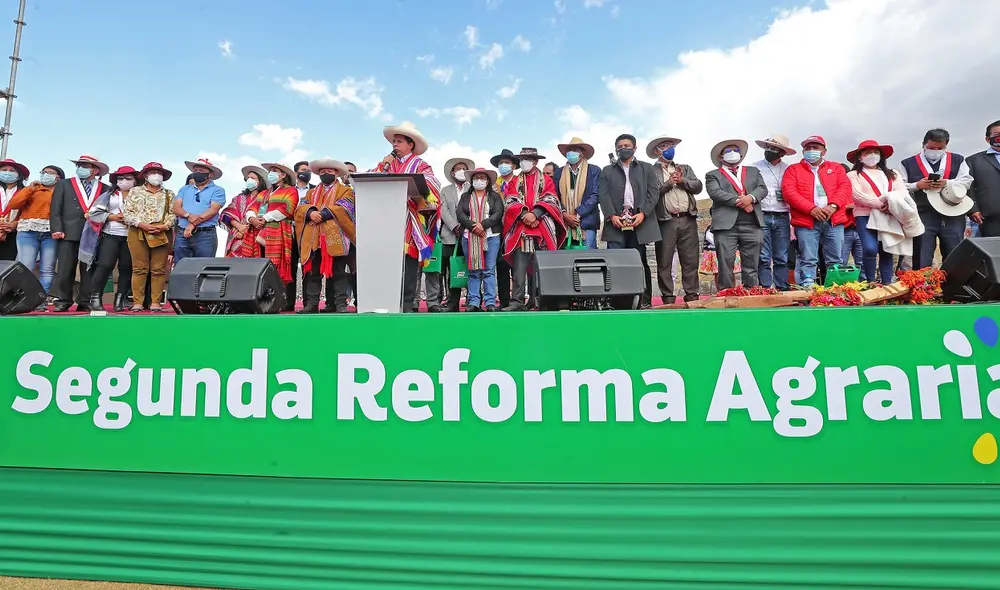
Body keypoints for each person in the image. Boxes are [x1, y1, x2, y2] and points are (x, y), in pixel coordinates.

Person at [370, 121, 442, 312]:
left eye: (399, 141)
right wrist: (383, 166)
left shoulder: (420, 164)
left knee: (409, 262)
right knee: (387, 261)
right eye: (393, 141)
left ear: (410, 144)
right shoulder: (386, 163)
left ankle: (408, 301)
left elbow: (432, 184)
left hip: (409, 219)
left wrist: (413, 184)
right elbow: (370, 179)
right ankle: (386, 299)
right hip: (387, 218)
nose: (394, 145)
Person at [781, 136, 851, 289]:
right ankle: (808, 287)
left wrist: (833, 206)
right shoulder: (793, 170)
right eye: (808, 148)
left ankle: (836, 289)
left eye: (815, 147)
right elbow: (789, 192)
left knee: (835, 258)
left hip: (834, 220)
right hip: (807, 221)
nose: (811, 151)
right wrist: (811, 209)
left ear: (824, 151)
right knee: (808, 258)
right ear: (803, 151)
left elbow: (845, 188)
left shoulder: (837, 168)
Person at [598, 134, 659, 307]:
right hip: (616, 222)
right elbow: (603, 195)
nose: (623, 148)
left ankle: (643, 300)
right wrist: (611, 216)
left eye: (627, 145)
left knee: (639, 261)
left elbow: (653, 193)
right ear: (616, 149)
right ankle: (616, 301)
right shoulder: (607, 170)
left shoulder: (646, 168)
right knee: (615, 263)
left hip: (639, 221)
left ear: (634, 148)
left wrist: (643, 214)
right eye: (620, 146)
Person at [502, 147, 567, 311]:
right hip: (521, 228)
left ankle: (539, 299)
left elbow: (551, 199)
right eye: (522, 159)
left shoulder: (547, 180)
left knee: (541, 266)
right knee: (519, 267)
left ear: (536, 161)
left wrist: (536, 214)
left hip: (542, 227)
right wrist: (525, 214)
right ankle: (517, 301)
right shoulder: (514, 181)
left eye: (528, 158)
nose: (525, 162)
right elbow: (510, 201)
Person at [899, 128, 974, 268]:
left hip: (953, 213)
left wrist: (947, 182)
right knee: (922, 254)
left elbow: (967, 181)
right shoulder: (907, 163)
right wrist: (917, 185)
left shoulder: (958, 159)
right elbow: (900, 186)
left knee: (954, 253)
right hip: (923, 213)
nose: (935, 151)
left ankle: (953, 286)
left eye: (940, 148)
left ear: (946, 146)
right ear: (923, 144)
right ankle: (923, 286)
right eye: (931, 147)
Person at [646, 134, 702, 302]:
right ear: (657, 151)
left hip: (688, 218)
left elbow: (697, 186)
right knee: (664, 260)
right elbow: (652, 194)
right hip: (665, 220)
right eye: (665, 146)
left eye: (671, 145)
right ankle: (668, 297)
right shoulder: (650, 171)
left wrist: (682, 180)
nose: (669, 148)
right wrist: (669, 183)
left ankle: (692, 295)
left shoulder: (685, 167)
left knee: (690, 259)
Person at [705, 139, 768, 289]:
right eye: (728, 151)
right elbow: (715, 193)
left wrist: (750, 198)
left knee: (752, 265)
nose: (732, 154)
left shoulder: (753, 171)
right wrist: (742, 201)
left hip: (752, 223)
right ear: (720, 156)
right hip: (726, 227)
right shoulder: (712, 175)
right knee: (725, 265)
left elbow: (762, 189)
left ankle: (750, 295)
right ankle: (726, 297)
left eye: (736, 151)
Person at [294, 158, 355, 314]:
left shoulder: (345, 190)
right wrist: (311, 212)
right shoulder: (311, 192)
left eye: (329, 171)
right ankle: (312, 305)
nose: (325, 173)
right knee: (313, 273)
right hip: (314, 238)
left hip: (336, 237)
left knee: (338, 272)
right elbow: (301, 208)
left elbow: (346, 205)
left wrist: (324, 213)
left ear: (336, 173)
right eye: (322, 172)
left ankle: (340, 304)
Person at [51, 155, 111, 312]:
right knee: (65, 268)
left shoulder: (104, 188)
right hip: (68, 232)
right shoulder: (64, 184)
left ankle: (85, 300)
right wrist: (57, 228)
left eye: (85, 165)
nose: (80, 168)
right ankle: (63, 300)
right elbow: (55, 209)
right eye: (79, 165)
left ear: (95, 170)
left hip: (93, 234)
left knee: (89, 269)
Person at [845, 140, 911, 284]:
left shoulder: (893, 174)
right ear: (860, 157)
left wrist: (891, 205)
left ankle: (886, 282)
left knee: (887, 248)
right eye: (867, 152)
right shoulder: (853, 175)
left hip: (889, 214)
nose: (872, 155)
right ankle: (870, 281)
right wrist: (878, 204)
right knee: (869, 248)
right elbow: (857, 194)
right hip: (865, 215)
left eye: (875, 152)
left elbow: (902, 192)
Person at [83, 165, 140, 312]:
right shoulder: (109, 194)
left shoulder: (141, 195)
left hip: (132, 236)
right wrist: (111, 216)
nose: (124, 181)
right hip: (111, 234)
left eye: (128, 178)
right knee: (105, 265)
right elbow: (93, 213)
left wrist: (131, 219)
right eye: (120, 178)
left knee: (126, 268)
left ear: (135, 180)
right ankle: (95, 298)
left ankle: (120, 299)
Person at [122, 162, 176, 312]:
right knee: (139, 268)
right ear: (145, 175)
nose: (156, 175)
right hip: (138, 231)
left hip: (162, 233)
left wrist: (165, 226)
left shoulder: (169, 194)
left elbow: (173, 213)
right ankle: (138, 302)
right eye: (152, 172)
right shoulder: (135, 191)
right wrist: (141, 224)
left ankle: (156, 303)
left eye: (159, 172)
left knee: (158, 269)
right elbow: (127, 213)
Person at [10, 164, 63, 304]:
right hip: (28, 231)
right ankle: (22, 298)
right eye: (44, 172)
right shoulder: (34, 189)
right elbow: (14, 204)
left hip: (51, 233)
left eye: (51, 173)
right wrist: (30, 188)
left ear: (58, 177)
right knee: (25, 266)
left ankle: (40, 299)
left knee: (47, 268)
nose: (47, 175)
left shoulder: (62, 191)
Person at [750, 135, 796, 290]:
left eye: (774, 148)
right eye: (768, 147)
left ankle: (782, 286)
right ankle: (765, 287)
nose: (770, 150)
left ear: (782, 152)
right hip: (761, 214)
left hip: (782, 215)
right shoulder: (754, 168)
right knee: (763, 255)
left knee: (781, 256)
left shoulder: (789, 169)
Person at [457, 168, 504, 312]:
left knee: (489, 270)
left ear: (488, 180)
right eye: (476, 177)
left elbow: (498, 213)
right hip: (469, 236)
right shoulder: (465, 196)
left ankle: (490, 302)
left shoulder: (494, 196)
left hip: (491, 236)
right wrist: (473, 226)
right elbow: (460, 213)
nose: (479, 180)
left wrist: (483, 225)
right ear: (471, 180)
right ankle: (474, 301)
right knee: (474, 271)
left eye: (482, 177)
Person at [250, 163, 298, 293]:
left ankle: (282, 298)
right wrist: (252, 219)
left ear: (283, 175)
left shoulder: (291, 191)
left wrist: (266, 218)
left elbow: (288, 208)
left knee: (279, 266)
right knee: (261, 265)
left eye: (275, 171)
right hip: (259, 233)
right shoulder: (264, 193)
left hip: (279, 233)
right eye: (270, 170)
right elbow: (253, 207)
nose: (271, 173)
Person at [438, 157, 474, 311]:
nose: (460, 171)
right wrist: (454, 226)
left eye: (463, 169)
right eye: (457, 169)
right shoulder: (445, 190)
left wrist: (466, 226)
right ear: (452, 173)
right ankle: (452, 302)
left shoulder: (473, 189)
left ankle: (472, 300)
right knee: (450, 268)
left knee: (469, 268)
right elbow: (443, 210)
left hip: (469, 234)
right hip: (449, 235)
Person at [173, 159, 226, 263]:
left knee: (203, 267)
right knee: (181, 267)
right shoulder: (184, 189)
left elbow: (213, 210)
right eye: (195, 170)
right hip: (182, 233)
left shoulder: (218, 190)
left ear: (210, 174)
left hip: (205, 235)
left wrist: (192, 224)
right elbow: (176, 208)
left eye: (201, 171)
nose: (197, 173)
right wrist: (188, 215)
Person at [553, 137, 601, 249]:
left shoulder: (594, 170)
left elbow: (596, 195)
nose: (571, 153)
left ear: (582, 153)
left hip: (586, 222)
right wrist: (564, 214)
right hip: (564, 223)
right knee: (566, 260)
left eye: (575, 150)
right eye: (569, 150)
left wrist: (577, 214)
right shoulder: (559, 172)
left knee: (589, 260)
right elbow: (554, 196)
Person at [491, 148, 520, 309]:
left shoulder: (519, 182)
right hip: (499, 230)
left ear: (514, 166)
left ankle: (518, 298)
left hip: (517, 229)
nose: (503, 165)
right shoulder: (494, 185)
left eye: (507, 163)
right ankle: (504, 300)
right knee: (501, 265)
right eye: (501, 163)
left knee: (518, 265)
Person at [220, 166, 269, 257]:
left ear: (260, 181)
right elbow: (225, 215)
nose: (249, 180)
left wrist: (246, 230)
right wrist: (239, 227)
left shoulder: (266, 198)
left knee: (253, 267)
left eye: (253, 178)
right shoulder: (239, 198)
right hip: (237, 236)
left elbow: (263, 216)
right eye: (248, 178)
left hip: (255, 236)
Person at [967, 120, 1000, 237]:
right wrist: (973, 209)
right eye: (997, 136)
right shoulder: (973, 161)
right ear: (987, 139)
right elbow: (968, 188)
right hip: (990, 217)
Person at [0, 158, 28, 261]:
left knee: (5, 265)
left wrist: (15, 224)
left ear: (19, 175)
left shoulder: (26, 192)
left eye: (12, 171)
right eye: (4, 170)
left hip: (12, 234)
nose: (7, 173)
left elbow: (29, 213)